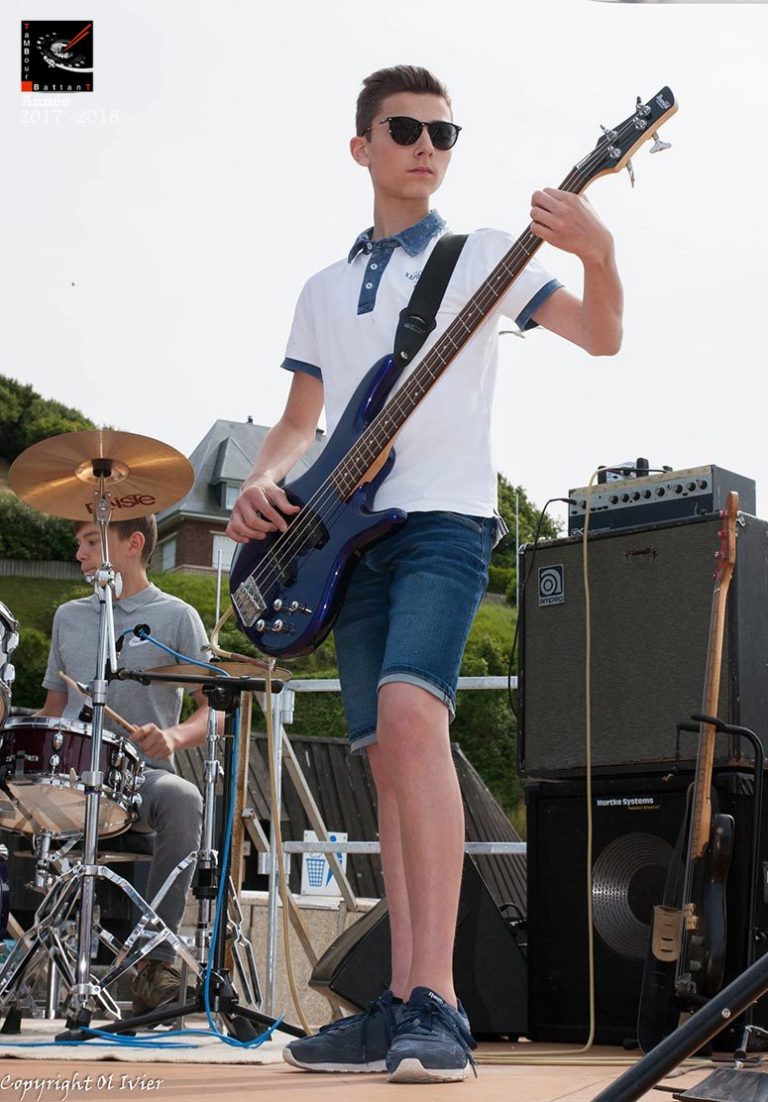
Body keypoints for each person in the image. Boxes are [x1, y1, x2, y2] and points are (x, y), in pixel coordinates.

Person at [227, 64, 623, 1083]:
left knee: (414, 721)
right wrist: (263, 480)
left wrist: (599, 252)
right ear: (362, 146)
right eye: (405, 129)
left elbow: (602, 337)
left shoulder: (482, 253)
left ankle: (439, 1001)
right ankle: (402, 998)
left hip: (445, 520)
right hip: (341, 538)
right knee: (384, 762)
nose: (427, 147)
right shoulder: (323, 290)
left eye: (444, 133)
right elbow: (301, 421)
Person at [39, 514, 210, 1015]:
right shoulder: (68, 617)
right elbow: (52, 710)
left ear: (133, 544)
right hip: (70, 776)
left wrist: (173, 736)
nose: (80, 554)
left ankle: (156, 963)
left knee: (183, 797)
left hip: (139, 776)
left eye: (92, 541)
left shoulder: (177, 617)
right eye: (79, 543)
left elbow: (214, 707)